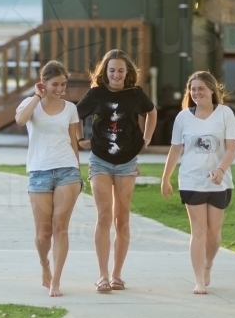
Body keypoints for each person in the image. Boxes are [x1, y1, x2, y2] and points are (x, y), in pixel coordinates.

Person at [77, 49, 157, 292]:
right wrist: (81, 139)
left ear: (127, 72)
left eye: (121, 70)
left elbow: (151, 112)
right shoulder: (96, 94)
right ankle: (102, 276)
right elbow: (75, 115)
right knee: (103, 217)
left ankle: (116, 275)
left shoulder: (135, 94)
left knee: (122, 220)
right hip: (100, 160)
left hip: (126, 163)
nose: (116, 74)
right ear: (105, 71)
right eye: (112, 70)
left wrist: (147, 139)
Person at [161, 71, 235, 294]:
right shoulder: (183, 117)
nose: (196, 93)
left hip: (219, 182)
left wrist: (221, 170)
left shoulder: (225, 114)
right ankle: (197, 280)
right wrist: (166, 177)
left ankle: (208, 265)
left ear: (212, 90)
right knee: (199, 231)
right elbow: (176, 148)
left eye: (201, 89)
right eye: (193, 89)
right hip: (191, 180)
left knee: (214, 233)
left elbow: (231, 148)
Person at [15, 60, 83, 297]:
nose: (60, 89)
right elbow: (21, 120)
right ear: (43, 83)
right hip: (39, 172)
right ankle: (45, 265)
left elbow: (73, 141)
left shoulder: (70, 108)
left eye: (63, 84)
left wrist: (78, 170)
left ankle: (56, 281)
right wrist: (36, 96)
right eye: (55, 84)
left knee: (60, 229)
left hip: (67, 171)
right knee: (43, 234)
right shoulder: (29, 104)